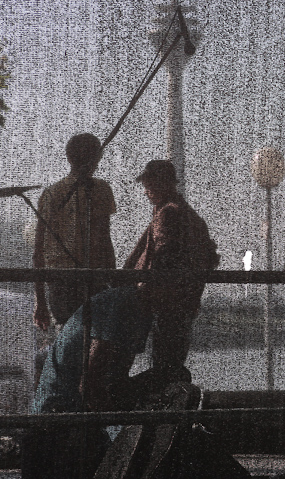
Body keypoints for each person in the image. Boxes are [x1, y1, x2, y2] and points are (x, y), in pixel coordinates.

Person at [24, 285, 154, 478]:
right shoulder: (122, 306)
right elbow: (90, 387)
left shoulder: (143, 313)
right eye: (191, 288)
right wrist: (126, 431)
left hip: (77, 422)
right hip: (58, 425)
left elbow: (116, 381)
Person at [123, 160, 220, 374]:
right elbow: (210, 257)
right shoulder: (188, 215)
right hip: (182, 303)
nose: (146, 191)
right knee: (171, 362)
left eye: (150, 185)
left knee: (164, 366)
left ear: (165, 184)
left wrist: (145, 288)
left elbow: (163, 256)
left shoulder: (169, 214)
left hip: (165, 304)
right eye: (146, 185)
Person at [33, 133, 116, 330]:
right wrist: (113, 281)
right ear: (98, 157)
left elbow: (39, 251)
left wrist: (41, 302)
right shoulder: (102, 190)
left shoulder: (52, 193)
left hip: (65, 281)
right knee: (93, 336)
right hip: (89, 279)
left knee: (70, 335)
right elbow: (105, 241)